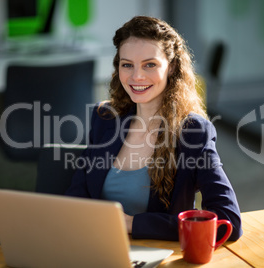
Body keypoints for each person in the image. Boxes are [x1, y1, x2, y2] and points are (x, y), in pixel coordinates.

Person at [65, 16, 242, 241]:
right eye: (127, 64)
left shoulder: (193, 131)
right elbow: (77, 197)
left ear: (172, 67)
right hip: (97, 247)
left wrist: (131, 223)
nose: (137, 76)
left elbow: (228, 222)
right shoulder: (105, 118)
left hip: (155, 255)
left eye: (150, 64)